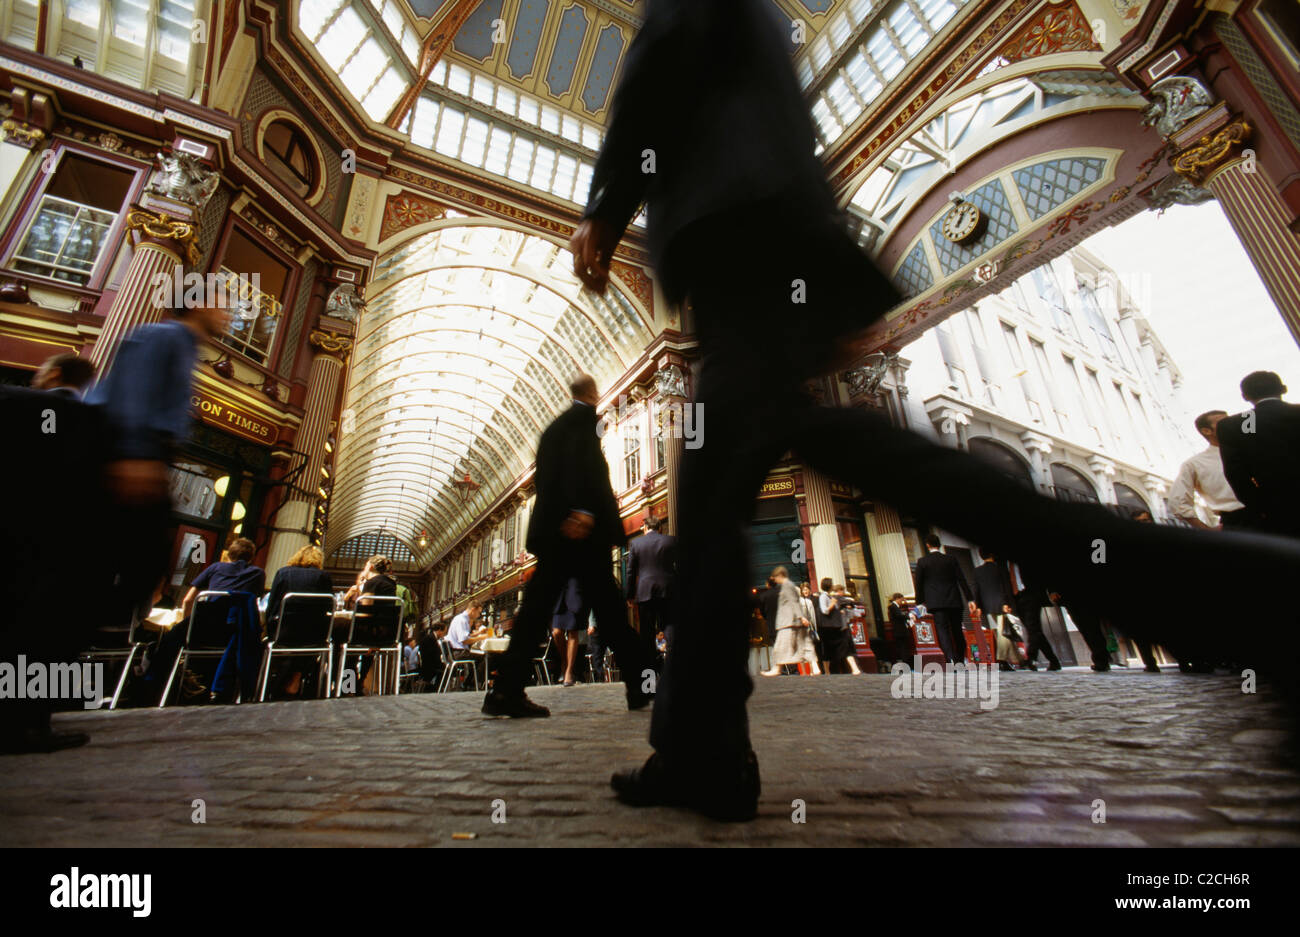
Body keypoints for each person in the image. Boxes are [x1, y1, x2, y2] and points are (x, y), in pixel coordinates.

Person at [575, 0, 1300, 820]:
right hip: (776, 236)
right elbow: (780, 111)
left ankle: (1252, 595)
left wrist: (608, 203)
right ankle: (1244, 594)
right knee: (804, 469)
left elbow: (659, 81)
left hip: (735, 241)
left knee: (750, 489)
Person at [481, 374, 651, 718]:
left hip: (559, 534)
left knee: (540, 611)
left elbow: (547, 478)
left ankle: (505, 690)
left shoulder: (555, 428)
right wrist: (583, 512)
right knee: (607, 611)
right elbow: (581, 471)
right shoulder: (581, 423)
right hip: (578, 533)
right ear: (591, 393)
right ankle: (640, 685)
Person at [87, 300, 231, 636]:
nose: (229, 316)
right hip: (129, 456)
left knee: (141, 568)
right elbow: (133, 395)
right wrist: (136, 457)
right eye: (222, 307)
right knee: (128, 565)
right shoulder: (163, 337)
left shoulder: (185, 348)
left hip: (146, 456)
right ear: (198, 304)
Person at [145, 537, 266, 703]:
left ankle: (152, 683)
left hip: (204, 626)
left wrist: (188, 622)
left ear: (229, 554)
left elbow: (188, 600)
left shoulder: (215, 567)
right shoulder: (258, 573)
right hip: (232, 634)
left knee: (169, 639)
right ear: (251, 557)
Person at [1217, 371, 1300, 537]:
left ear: (1245, 396)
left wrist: (1261, 507)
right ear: (1283, 389)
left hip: (1278, 507)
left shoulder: (1243, 422)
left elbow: (1236, 474)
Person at [1169, 410, 1250, 529]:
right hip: (1238, 522)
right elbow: (1178, 502)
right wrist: (1207, 530)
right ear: (1206, 431)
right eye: (1223, 422)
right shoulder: (1194, 464)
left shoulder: (1249, 450)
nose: (1230, 424)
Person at [625, 515, 677, 673]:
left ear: (646, 528)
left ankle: (649, 679)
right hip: (667, 591)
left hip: (645, 592)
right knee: (669, 626)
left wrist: (629, 595)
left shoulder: (636, 543)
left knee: (647, 633)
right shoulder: (671, 541)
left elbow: (630, 571)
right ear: (660, 528)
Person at [913, 536, 973, 664]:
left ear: (928, 545)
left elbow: (918, 584)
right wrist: (970, 599)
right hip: (954, 600)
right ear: (939, 545)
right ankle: (960, 660)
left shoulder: (922, 562)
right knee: (957, 630)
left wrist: (919, 603)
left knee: (942, 630)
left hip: (936, 602)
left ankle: (950, 658)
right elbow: (961, 579)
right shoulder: (951, 559)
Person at [264, 545, 334, 634]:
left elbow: (272, 603)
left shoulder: (283, 572)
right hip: (314, 630)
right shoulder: (324, 576)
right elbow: (329, 606)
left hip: (283, 629)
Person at [761, 567, 819, 675]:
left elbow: (794, 602)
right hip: (793, 621)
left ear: (780, 576)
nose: (775, 580)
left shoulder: (787, 586)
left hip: (788, 622)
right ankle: (815, 667)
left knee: (779, 646)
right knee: (805, 644)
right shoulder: (790, 586)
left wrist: (801, 617)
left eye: (775, 577)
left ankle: (777, 669)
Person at [971, 549, 1022, 671]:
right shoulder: (999, 568)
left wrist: (977, 606)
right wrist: (1007, 603)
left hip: (988, 605)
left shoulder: (977, 571)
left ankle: (1019, 660)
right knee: (1003, 633)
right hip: (1001, 604)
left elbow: (976, 589)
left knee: (1004, 630)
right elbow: (1005, 586)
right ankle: (1001, 659)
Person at [1007, 559, 1061, 672]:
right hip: (1016, 598)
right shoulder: (1003, 562)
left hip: (1032, 594)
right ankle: (1054, 661)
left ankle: (1031, 658)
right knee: (1034, 631)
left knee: (1033, 628)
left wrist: (1051, 590)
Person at [816, 580, 862, 674]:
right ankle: (828, 672)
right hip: (829, 628)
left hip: (837, 627)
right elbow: (825, 610)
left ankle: (854, 669)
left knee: (845, 649)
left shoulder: (830, 597)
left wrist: (841, 610)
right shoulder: (824, 597)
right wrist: (833, 604)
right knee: (829, 650)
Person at [552, 578, 588, 686]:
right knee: (557, 632)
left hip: (574, 591)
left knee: (573, 631)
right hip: (558, 595)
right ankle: (565, 661)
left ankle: (568, 671)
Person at [31, 352, 95, 398]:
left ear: (54, 373)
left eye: (42, 370)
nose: (38, 375)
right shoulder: (90, 414)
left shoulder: (26, 399)